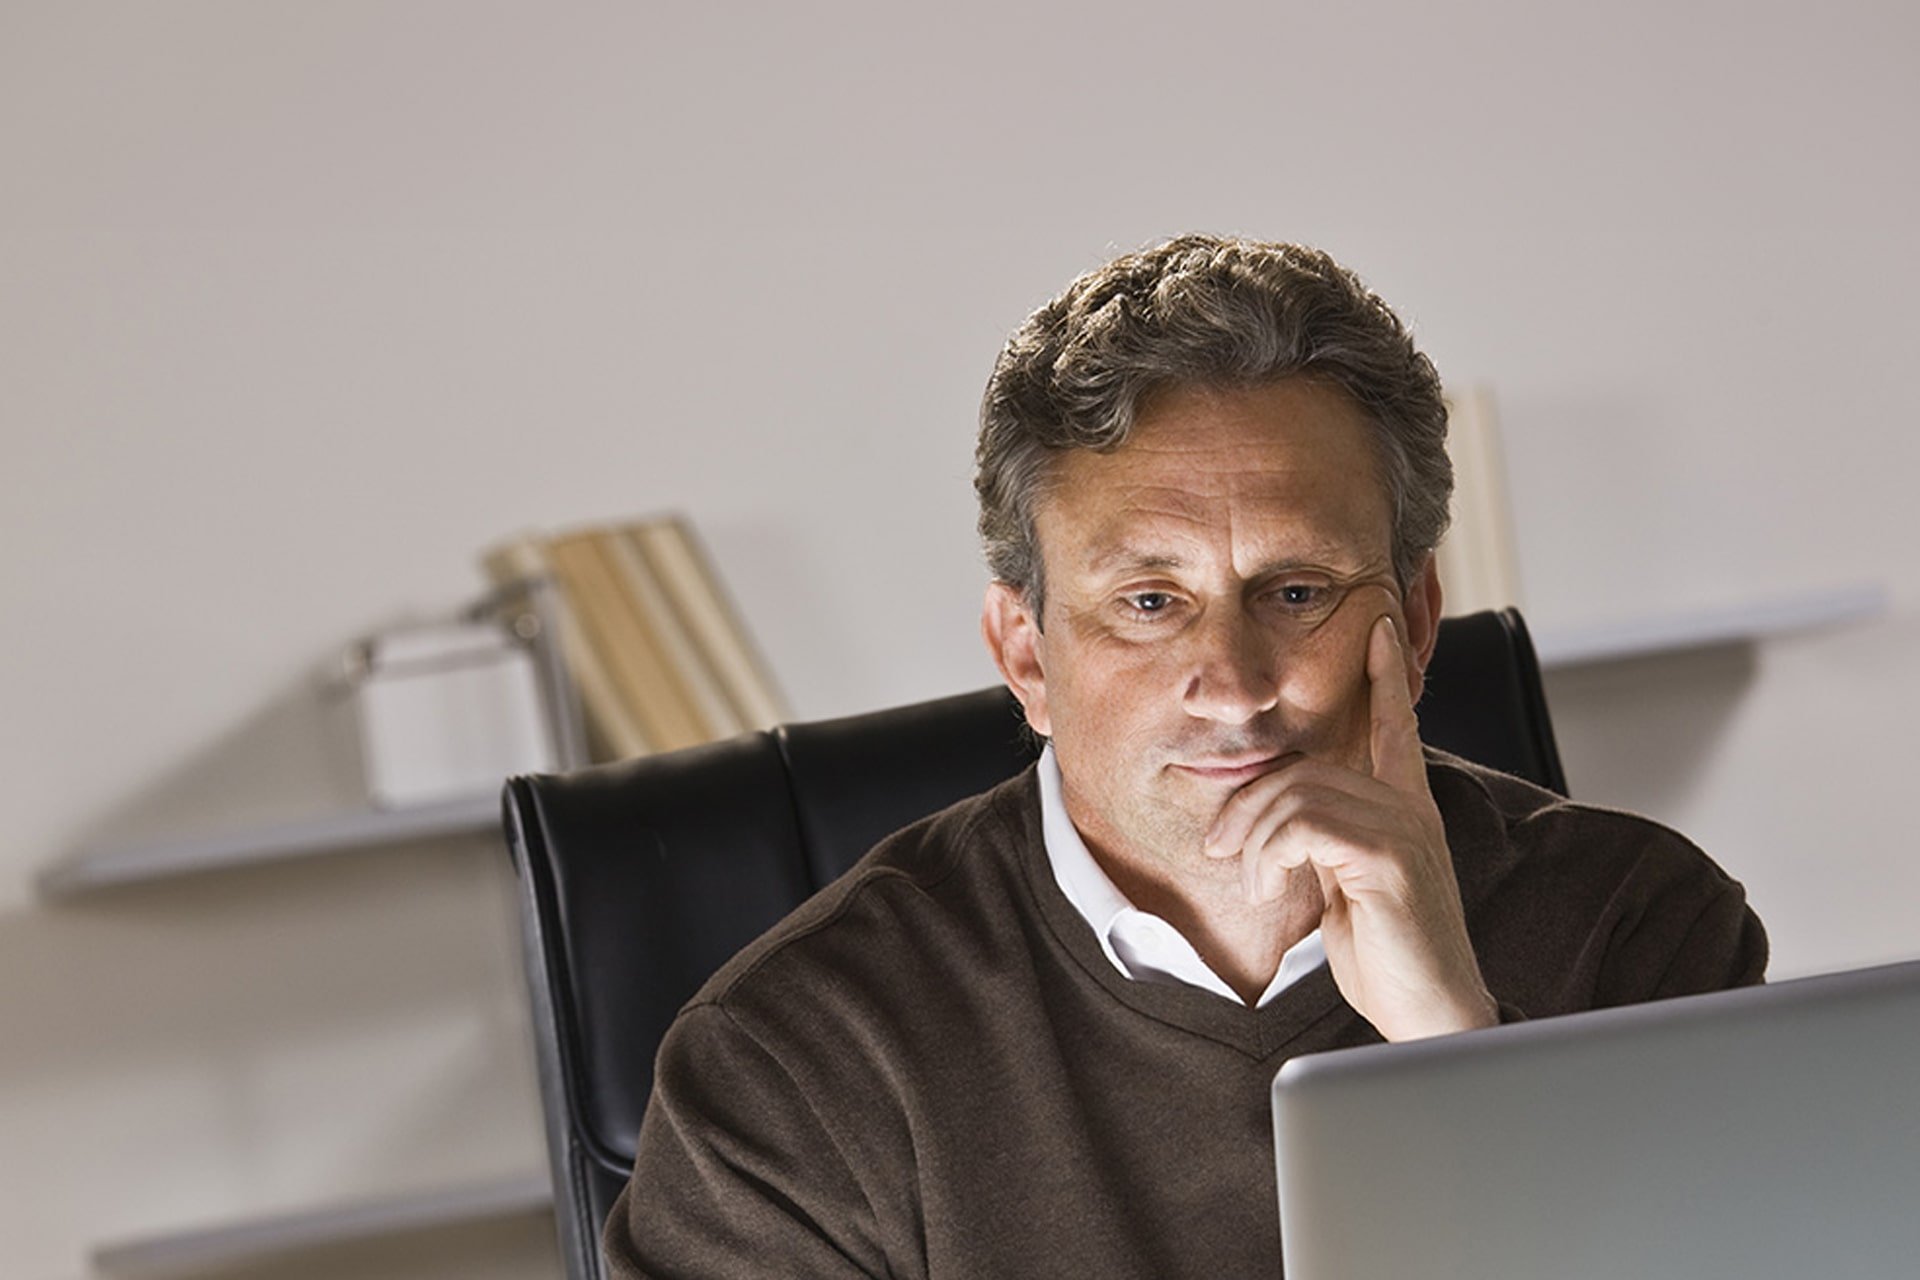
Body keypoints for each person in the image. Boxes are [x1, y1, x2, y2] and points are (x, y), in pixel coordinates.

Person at [604, 235, 1767, 1278]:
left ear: (1413, 627)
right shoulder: (797, 1058)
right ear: (1027, 655)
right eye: (1151, 600)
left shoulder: (1638, 930)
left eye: (1297, 589)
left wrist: (1457, 1052)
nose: (1236, 681)